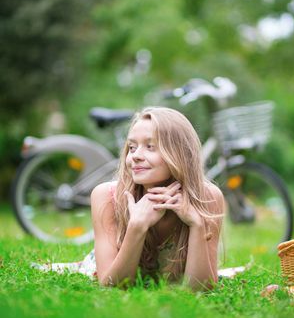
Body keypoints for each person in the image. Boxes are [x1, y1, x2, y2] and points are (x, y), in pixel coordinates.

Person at [33, 107, 226, 290]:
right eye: (132, 148)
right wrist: (137, 227)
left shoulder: (208, 198)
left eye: (150, 147)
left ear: (181, 153)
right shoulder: (107, 197)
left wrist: (197, 225)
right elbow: (111, 285)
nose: (136, 156)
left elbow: (200, 288)